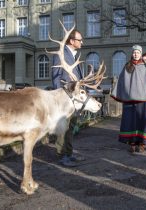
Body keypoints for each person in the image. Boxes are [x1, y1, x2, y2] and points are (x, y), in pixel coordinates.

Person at [111, 45, 146, 153]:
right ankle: (132, 142)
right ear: (132, 54)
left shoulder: (145, 67)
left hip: (143, 99)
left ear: (141, 54)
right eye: (134, 52)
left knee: (143, 121)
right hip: (130, 99)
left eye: (138, 52)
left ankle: (142, 143)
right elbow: (122, 81)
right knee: (130, 121)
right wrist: (122, 93)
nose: (135, 54)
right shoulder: (127, 66)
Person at [52, 29, 85, 167]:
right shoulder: (61, 53)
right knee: (62, 128)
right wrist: (59, 97)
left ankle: (69, 153)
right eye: (80, 40)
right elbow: (56, 76)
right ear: (72, 41)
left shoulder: (74, 55)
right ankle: (61, 155)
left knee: (71, 127)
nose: (82, 42)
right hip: (64, 98)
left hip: (74, 99)